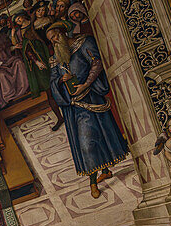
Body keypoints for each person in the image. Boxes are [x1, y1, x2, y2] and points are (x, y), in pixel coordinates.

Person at [46, 22, 129, 198]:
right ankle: (96, 178)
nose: (54, 42)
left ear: (63, 32)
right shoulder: (55, 58)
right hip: (74, 108)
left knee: (98, 138)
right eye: (51, 40)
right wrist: (61, 81)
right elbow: (53, 81)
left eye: (55, 37)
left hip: (92, 98)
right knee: (87, 143)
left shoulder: (84, 42)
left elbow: (97, 63)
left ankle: (100, 175)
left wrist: (85, 85)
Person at [13, 11, 65, 130]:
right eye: (17, 22)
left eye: (19, 19)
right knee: (50, 91)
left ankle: (68, 113)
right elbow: (28, 51)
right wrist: (37, 62)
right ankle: (59, 117)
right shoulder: (25, 35)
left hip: (50, 56)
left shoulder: (35, 25)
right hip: (42, 64)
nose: (19, 22)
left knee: (61, 85)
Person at [0, 22, 30, 107]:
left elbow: (8, 49)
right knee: (1, 75)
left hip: (9, 61)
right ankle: (9, 97)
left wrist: (15, 47)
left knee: (19, 63)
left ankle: (24, 88)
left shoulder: (3, 37)